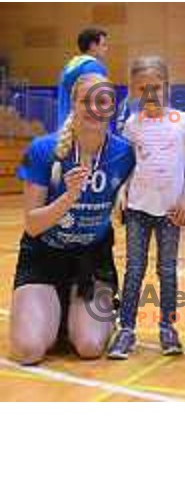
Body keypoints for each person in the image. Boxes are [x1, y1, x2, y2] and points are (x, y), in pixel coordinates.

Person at [10, 74, 135, 364]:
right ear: (73, 105)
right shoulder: (43, 150)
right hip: (44, 256)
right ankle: (54, 308)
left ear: (112, 108)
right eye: (85, 100)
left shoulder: (125, 153)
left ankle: (75, 312)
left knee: (90, 347)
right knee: (29, 351)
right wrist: (68, 197)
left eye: (101, 101)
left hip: (92, 259)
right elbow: (32, 224)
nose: (94, 108)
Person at [107, 56, 185, 359]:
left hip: (171, 211)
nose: (150, 94)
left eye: (156, 87)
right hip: (137, 209)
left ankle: (167, 328)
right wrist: (120, 191)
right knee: (134, 268)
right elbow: (126, 165)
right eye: (143, 88)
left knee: (167, 270)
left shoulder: (183, 121)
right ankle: (126, 330)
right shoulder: (132, 125)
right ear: (135, 90)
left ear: (167, 86)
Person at [56, 28, 109, 127]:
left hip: (66, 126)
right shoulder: (94, 67)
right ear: (93, 46)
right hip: (86, 128)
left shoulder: (69, 66)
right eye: (103, 45)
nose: (106, 49)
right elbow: (99, 102)